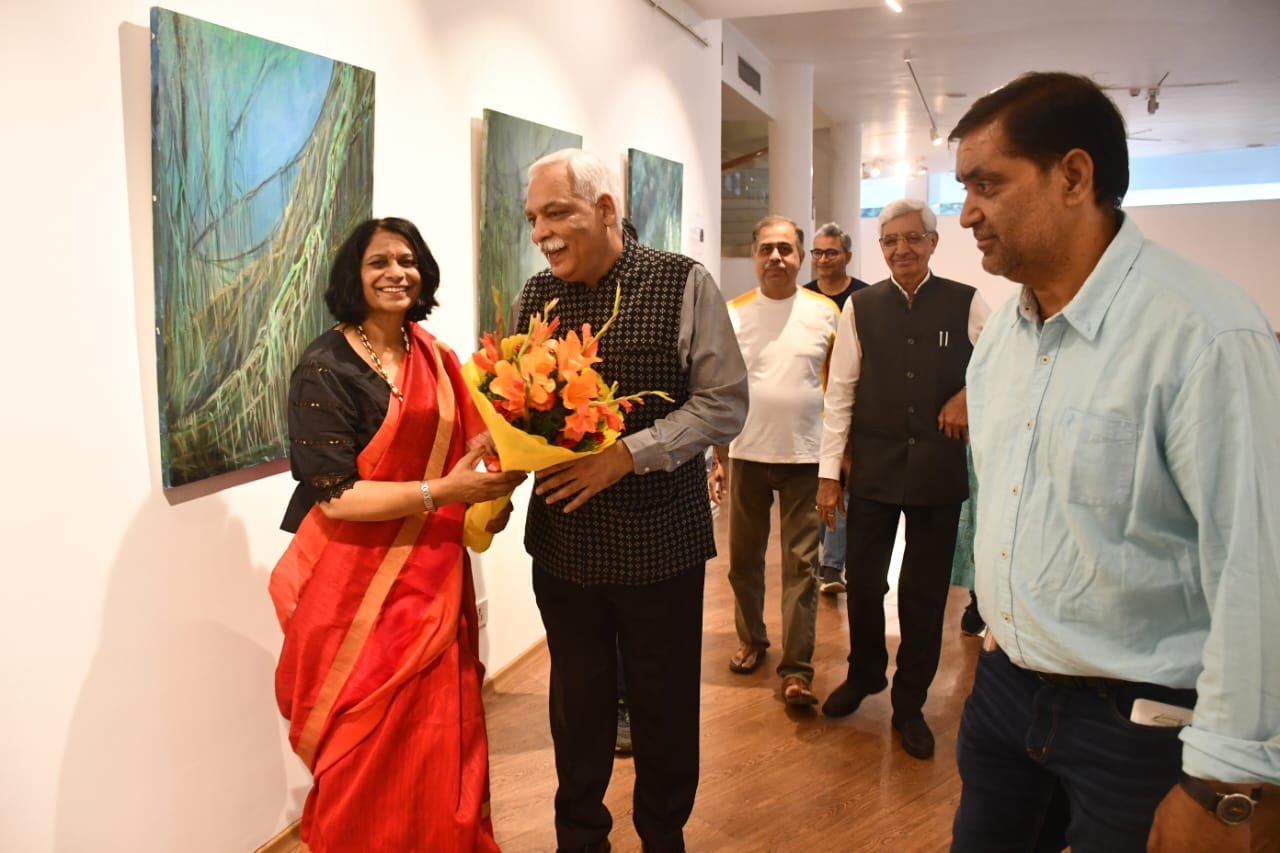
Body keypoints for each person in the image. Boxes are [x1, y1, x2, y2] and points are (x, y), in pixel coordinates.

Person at [948, 71, 1280, 852]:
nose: (966, 214)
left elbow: (1256, 565)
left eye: (988, 184)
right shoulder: (1001, 340)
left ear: (1073, 176)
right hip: (1005, 698)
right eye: (964, 188)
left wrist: (1226, 778)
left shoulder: (1203, 332)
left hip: (1143, 729)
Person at [268, 218, 527, 852]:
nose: (396, 273)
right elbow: (336, 496)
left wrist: (502, 471)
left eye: (406, 260)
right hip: (353, 584)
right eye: (378, 262)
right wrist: (444, 493)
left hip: (431, 575)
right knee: (362, 741)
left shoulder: (433, 356)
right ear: (353, 277)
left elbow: (471, 446)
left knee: (436, 732)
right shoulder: (325, 367)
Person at [516, 148, 748, 852]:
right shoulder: (535, 297)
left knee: (663, 705)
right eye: (532, 218)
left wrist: (626, 455)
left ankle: (662, 835)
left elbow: (724, 404)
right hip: (563, 545)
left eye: (556, 213)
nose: (541, 233)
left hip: (660, 544)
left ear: (605, 209)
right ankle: (579, 836)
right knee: (575, 706)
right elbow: (519, 405)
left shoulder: (681, 282)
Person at [817, 198, 990, 761]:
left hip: (939, 471)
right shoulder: (861, 306)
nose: (902, 249)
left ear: (933, 243)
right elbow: (840, 392)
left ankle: (910, 701)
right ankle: (865, 672)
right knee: (865, 583)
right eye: (891, 240)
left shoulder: (966, 301)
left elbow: (1006, 362)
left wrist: (968, 393)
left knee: (924, 593)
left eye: (913, 238)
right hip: (874, 467)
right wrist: (828, 474)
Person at [713, 214, 838, 707]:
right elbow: (720, 391)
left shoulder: (827, 313)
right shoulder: (734, 313)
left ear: (801, 257)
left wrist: (837, 464)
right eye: (767, 248)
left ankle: (797, 670)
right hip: (746, 454)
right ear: (754, 255)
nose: (776, 258)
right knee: (743, 562)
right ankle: (752, 640)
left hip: (807, 458)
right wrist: (718, 457)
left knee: (802, 567)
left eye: (785, 249)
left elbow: (842, 391)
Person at [803, 221, 870, 595]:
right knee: (816, 483)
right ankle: (817, 561)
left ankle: (832, 565)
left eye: (831, 252)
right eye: (818, 252)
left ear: (847, 255)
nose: (823, 259)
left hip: (850, 409)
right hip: (811, 411)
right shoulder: (804, 298)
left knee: (842, 483)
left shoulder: (864, 299)